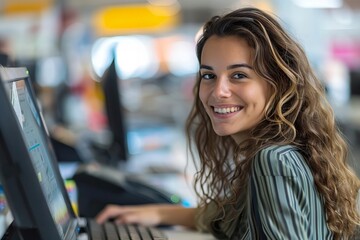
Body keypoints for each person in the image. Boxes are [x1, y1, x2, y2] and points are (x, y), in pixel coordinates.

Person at [96, 7, 360, 239]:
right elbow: (232, 217)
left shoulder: (272, 161)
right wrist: (158, 213)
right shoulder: (281, 153)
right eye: (209, 75)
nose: (218, 90)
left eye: (238, 75)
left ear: (278, 85)